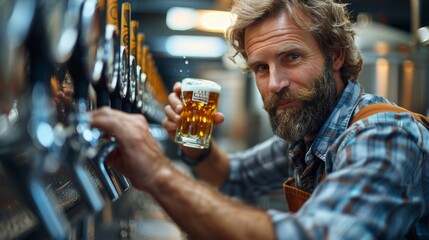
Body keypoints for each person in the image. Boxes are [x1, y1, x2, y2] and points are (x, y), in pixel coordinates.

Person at [90, 0, 429, 239]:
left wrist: (157, 173)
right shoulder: (309, 133)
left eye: (291, 57)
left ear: (335, 56)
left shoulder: (385, 135)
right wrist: (197, 147)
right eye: (261, 68)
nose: (275, 84)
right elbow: (232, 177)